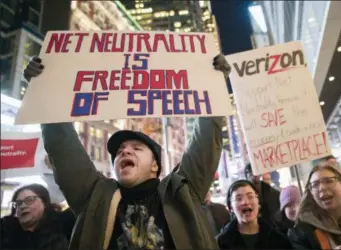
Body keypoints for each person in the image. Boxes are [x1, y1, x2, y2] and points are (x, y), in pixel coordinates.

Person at [23, 54, 231, 249]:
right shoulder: (94, 195)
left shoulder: (182, 191)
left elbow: (206, 142)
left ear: (155, 165)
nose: (125, 152)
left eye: (137, 148)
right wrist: (43, 87)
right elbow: (62, 146)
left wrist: (214, 84)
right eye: (120, 151)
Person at [288, 163, 341, 249]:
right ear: (311, 194)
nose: (322, 188)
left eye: (329, 181)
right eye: (315, 184)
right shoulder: (301, 233)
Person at [216, 180, 292, 249]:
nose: (245, 202)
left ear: (258, 203)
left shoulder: (279, 240)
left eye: (250, 196)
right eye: (238, 198)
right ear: (230, 208)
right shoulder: (220, 243)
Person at [0, 184, 76, 250]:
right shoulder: (5, 230)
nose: (22, 206)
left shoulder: (64, 224)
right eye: (18, 203)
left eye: (30, 200)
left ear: (44, 203)